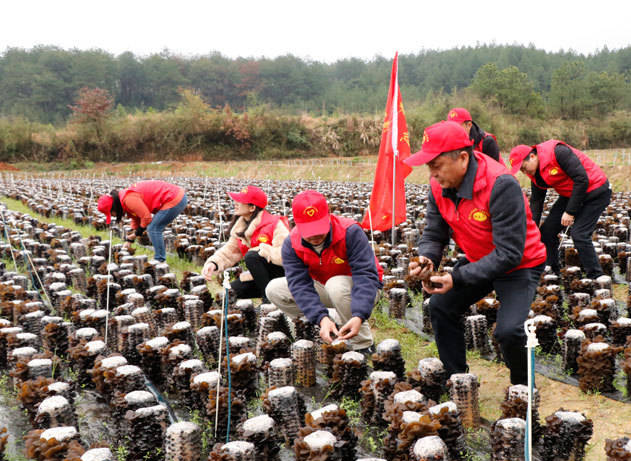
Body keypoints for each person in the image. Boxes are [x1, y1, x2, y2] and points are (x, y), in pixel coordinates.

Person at [405, 121, 547, 385]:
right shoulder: (438, 186)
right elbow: (435, 234)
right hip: (479, 257)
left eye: (436, 165)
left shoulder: (500, 184)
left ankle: (523, 389)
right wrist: (427, 258)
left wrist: (457, 278)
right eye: (429, 167)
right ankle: (458, 378)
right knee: (440, 306)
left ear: (462, 158)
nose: (432, 173)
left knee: (509, 331)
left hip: (520, 264)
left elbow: (509, 253)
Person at [266, 190, 383, 352]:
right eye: (309, 231)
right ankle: (325, 325)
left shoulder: (350, 232)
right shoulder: (291, 244)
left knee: (336, 285)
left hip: (363, 289)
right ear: (296, 224)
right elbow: (299, 285)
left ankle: (363, 344)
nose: (315, 236)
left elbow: (366, 275)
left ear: (328, 217)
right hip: (324, 287)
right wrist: (320, 317)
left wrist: (359, 314)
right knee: (274, 289)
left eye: (319, 228)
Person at [509, 140, 612, 279]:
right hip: (571, 193)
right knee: (546, 232)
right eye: (520, 170)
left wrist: (570, 212)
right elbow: (537, 201)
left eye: (523, 167)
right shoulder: (534, 173)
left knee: (579, 234)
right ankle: (552, 271)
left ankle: (595, 276)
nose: (523, 171)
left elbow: (581, 179)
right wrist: (532, 230)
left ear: (532, 156)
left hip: (595, 191)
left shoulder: (558, 152)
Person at [201, 185, 289, 299]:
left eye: (241, 201)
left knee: (252, 256)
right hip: (261, 277)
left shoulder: (275, 224)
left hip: (282, 276)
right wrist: (214, 263)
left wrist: (263, 251)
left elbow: (285, 255)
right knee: (231, 291)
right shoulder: (240, 228)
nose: (235, 203)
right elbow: (230, 250)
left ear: (252, 208)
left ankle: (269, 301)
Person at [97, 180, 188, 263]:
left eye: (110, 213)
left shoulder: (128, 199)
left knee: (153, 228)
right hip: (174, 196)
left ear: (114, 207)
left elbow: (146, 217)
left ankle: (159, 260)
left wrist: (136, 234)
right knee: (153, 227)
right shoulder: (123, 198)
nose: (113, 216)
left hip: (174, 198)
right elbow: (136, 217)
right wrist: (129, 240)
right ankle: (159, 258)